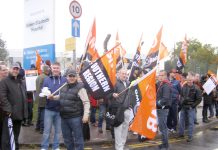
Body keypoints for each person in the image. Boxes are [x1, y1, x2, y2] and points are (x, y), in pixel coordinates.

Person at [48, 69, 90, 150]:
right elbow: (61, 97)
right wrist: (53, 97)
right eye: (70, 76)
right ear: (67, 77)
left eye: (73, 76)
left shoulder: (80, 88)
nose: (71, 78)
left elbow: (86, 102)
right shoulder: (64, 86)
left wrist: (86, 115)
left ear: (76, 77)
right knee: (67, 139)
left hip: (75, 117)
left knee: (78, 139)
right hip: (64, 117)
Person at [0, 62, 28, 150]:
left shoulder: (21, 82)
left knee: (16, 136)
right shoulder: (4, 81)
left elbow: (24, 97)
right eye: (14, 68)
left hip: (19, 115)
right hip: (10, 115)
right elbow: (2, 97)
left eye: (17, 69)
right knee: (8, 138)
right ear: (10, 69)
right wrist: (9, 110)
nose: (15, 70)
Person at [41, 62, 67, 150]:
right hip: (49, 109)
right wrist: (46, 94)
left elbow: (66, 92)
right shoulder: (47, 79)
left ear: (60, 69)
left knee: (58, 131)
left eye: (57, 68)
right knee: (46, 131)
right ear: (51, 69)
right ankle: (44, 147)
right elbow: (43, 90)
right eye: (54, 68)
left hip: (60, 110)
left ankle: (56, 146)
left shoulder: (64, 80)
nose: (55, 69)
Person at [109, 68, 130, 150]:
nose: (124, 75)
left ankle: (122, 145)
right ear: (119, 74)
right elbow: (108, 94)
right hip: (118, 110)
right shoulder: (115, 83)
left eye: (125, 74)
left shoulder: (128, 83)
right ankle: (119, 148)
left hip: (127, 109)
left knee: (125, 129)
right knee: (118, 129)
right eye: (123, 73)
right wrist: (112, 94)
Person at [178, 74, 202, 142]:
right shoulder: (184, 86)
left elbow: (199, 99)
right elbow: (181, 95)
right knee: (181, 121)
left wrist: (193, 106)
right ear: (186, 80)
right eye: (188, 80)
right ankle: (181, 134)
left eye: (190, 80)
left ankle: (190, 136)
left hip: (191, 108)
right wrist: (181, 101)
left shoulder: (197, 88)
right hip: (183, 107)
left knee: (191, 122)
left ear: (193, 80)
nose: (189, 81)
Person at [156, 70, 172, 150]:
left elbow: (165, 98)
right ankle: (164, 143)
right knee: (162, 127)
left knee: (163, 128)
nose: (160, 77)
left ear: (165, 76)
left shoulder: (166, 85)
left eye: (162, 75)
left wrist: (157, 103)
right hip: (160, 108)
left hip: (163, 108)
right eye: (159, 75)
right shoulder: (160, 84)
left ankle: (165, 145)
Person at [35, 65, 50, 133]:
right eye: (48, 69)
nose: (49, 70)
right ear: (46, 70)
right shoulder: (46, 78)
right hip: (44, 98)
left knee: (39, 113)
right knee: (43, 114)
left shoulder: (38, 76)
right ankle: (42, 128)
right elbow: (47, 89)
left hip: (38, 97)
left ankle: (37, 127)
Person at [167, 69, 181, 133]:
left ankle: (174, 127)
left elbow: (180, 92)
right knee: (168, 115)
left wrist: (178, 100)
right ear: (170, 73)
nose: (174, 74)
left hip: (174, 102)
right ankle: (169, 127)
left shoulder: (177, 82)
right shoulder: (166, 81)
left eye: (175, 73)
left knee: (174, 115)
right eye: (173, 73)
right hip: (167, 102)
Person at [0, 62, 9, 149]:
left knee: (6, 133)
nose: (5, 72)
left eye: (6, 70)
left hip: (6, 111)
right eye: (3, 70)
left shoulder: (8, 82)